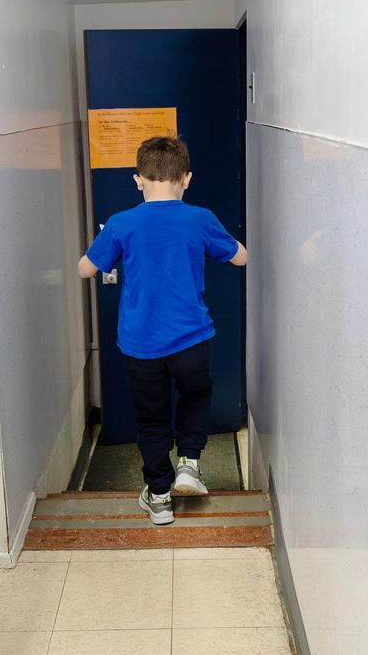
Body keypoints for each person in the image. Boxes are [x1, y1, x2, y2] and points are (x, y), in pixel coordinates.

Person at [78, 135, 248, 526]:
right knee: (195, 395)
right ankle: (189, 463)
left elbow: (85, 269)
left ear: (137, 179)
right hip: (191, 339)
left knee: (151, 419)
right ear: (186, 179)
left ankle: (159, 497)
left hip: (141, 345)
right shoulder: (200, 218)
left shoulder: (122, 224)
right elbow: (241, 258)